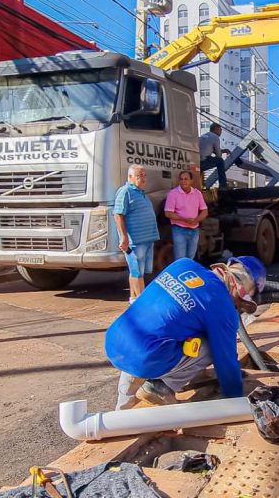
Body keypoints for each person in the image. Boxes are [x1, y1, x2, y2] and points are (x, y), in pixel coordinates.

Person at [106, 255, 267, 410]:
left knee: (160, 331)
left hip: (117, 340)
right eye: (241, 303)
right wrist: (235, 398)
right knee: (212, 345)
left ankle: (118, 416)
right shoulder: (222, 304)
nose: (237, 307)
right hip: (147, 357)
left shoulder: (183, 264)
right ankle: (160, 386)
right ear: (242, 289)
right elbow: (225, 358)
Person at [114, 164, 159, 303]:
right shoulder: (125, 191)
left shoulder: (140, 192)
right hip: (135, 241)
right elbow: (118, 214)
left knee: (138, 270)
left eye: (145, 176)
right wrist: (124, 237)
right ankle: (142, 303)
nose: (144, 179)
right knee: (137, 272)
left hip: (147, 239)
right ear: (130, 177)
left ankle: (134, 298)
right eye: (140, 176)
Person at [164, 170, 208, 260]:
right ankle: (179, 274)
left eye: (186, 179)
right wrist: (185, 220)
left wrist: (196, 220)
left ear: (191, 181)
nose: (183, 181)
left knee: (190, 259)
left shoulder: (197, 194)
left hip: (194, 230)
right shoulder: (173, 193)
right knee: (180, 259)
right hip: (179, 230)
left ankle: (186, 274)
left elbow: (205, 211)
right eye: (181, 179)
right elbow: (167, 213)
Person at [199, 123, 230, 189]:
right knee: (220, 161)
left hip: (197, 162)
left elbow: (209, 149)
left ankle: (200, 185)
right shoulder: (215, 137)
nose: (221, 131)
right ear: (216, 129)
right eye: (220, 129)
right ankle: (223, 185)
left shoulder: (203, 136)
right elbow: (218, 154)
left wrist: (224, 151)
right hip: (204, 161)